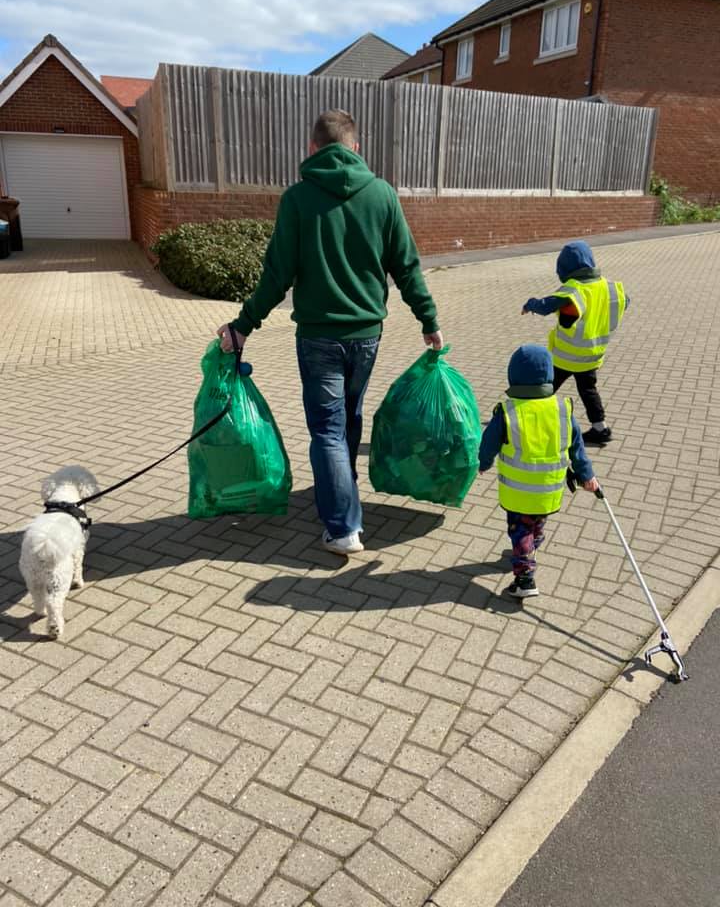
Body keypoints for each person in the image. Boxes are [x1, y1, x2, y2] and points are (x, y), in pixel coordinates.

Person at [216, 109, 442, 555]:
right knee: (348, 418)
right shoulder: (382, 195)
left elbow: (277, 274)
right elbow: (406, 265)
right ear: (355, 147)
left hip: (318, 337)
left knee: (328, 429)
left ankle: (341, 527)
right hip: (366, 334)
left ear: (313, 148)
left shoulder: (298, 199)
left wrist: (244, 326)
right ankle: (344, 491)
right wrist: (428, 320)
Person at [479, 344, 598, 599]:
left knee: (520, 530)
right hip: (549, 490)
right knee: (537, 525)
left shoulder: (508, 412)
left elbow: (488, 443)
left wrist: (483, 463)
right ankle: (530, 547)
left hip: (519, 494)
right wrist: (587, 475)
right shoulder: (562, 411)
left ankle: (525, 579)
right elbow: (577, 447)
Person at [521, 240, 627, 445]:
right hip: (592, 356)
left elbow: (546, 306)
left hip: (567, 356)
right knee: (588, 390)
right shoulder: (610, 287)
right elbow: (626, 301)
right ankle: (600, 428)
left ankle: (526, 418)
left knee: (546, 386)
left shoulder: (574, 289)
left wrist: (530, 303)